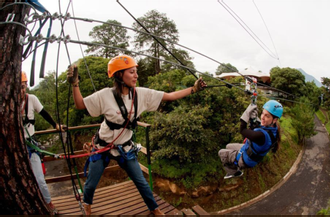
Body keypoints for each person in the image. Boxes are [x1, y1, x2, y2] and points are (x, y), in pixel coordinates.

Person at [67, 54, 207, 215]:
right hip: (103, 146)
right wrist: (75, 85)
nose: (136, 75)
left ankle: (154, 209)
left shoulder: (141, 94)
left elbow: (169, 96)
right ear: (119, 75)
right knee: (91, 183)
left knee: (141, 181)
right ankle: (87, 206)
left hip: (125, 148)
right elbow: (80, 104)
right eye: (132, 72)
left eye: (136, 72)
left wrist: (193, 89)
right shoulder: (105, 95)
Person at [20, 72, 63, 214]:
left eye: (23, 86)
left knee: (39, 179)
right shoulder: (8, 102)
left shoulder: (31, 99)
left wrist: (55, 125)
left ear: (26, 86)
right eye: (18, 87)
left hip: (30, 144)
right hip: (17, 146)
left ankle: (49, 203)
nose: (21, 90)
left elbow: (43, 113)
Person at [218, 100, 283, 179]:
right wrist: (254, 118)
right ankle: (235, 164)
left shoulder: (261, 136)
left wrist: (246, 113)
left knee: (221, 152)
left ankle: (234, 171)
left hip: (247, 159)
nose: (262, 117)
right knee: (228, 146)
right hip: (250, 150)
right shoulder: (274, 129)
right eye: (262, 113)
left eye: (267, 116)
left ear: (274, 120)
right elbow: (258, 126)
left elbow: (242, 130)